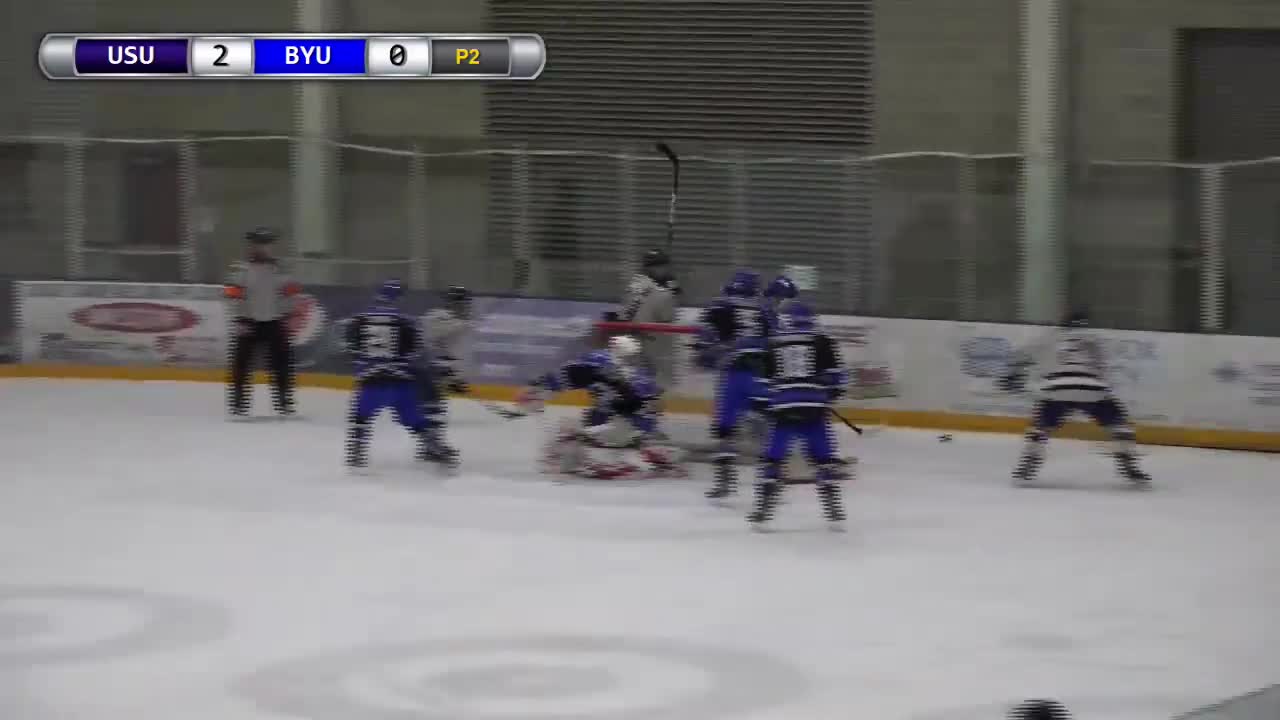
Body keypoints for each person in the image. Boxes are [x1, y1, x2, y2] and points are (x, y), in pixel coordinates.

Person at [1005, 309, 1151, 489]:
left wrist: (1013, 374)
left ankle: (1028, 463)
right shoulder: (1094, 339)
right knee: (1119, 424)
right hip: (1092, 389)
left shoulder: (1051, 337)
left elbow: (1021, 356)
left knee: (1040, 426)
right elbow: (1103, 369)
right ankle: (1128, 464)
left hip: (1057, 388)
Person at [516, 335, 682, 479]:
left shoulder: (621, 373)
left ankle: (636, 456)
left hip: (631, 423)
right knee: (581, 428)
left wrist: (538, 389)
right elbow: (569, 375)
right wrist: (538, 388)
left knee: (574, 432)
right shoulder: (614, 369)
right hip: (629, 422)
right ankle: (641, 452)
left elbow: (572, 373)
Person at [749, 302, 850, 530]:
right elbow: (836, 377)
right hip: (814, 405)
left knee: (773, 458)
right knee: (824, 458)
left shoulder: (774, 341)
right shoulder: (822, 340)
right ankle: (833, 507)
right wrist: (829, 393)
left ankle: (763, 508)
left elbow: (763, 382)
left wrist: (770, 402)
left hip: (784, 406)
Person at [343, 280, 458, 470]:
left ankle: (356, 451)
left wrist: (363, 363)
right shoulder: (405, 321)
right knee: (414, 419)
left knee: (361, 417)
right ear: (397, 299)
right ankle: (434, 446)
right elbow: (415, 352)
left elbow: (350, 346)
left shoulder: (358, 320)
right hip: (399, 381)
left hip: (370, 381)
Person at [693, 269, 770, 499]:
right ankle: (773, 478)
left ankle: (725, 481)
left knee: (725, 430)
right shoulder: (765, 310)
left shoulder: (718, 307)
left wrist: (707, 354)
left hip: (732, 374)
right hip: (761, 374)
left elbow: (702, 340)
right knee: (763, 425)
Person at [223, 227, 298, 418]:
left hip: (275, 322)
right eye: (259, 244)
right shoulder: (240, 269)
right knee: (241, 365)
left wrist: (288, 316)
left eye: (267, 244)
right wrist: (239, 318)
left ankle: (284, 403)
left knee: (282, 364)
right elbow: (232, 296)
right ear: (252, 245)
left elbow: (289, 294)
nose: (264, 248)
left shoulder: (281, 269)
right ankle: (239, 405)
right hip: (248, 322)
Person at [611, 249, 680, 392]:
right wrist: (670, 289)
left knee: (637, 378)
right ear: (650, 268)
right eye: (659, 266)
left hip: (635, 338)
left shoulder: (638, 283)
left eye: (664, 265)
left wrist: (670, 287)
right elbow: (667, 317)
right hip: (644, 339)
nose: (663, 269)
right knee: (646, 380)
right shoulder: (656, 289)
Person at [420, 285, 474, 424]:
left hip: (438, 364)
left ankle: (430, 414)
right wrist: (446, 371)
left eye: (466, 302)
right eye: (464, 301)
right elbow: (431, 342)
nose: (466, 305)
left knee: (433, 395)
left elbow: (450, 349)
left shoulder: (458, 321)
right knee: (430, 393)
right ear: (454, 301)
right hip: (430, 364)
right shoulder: (438, 317)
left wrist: (454, 376)